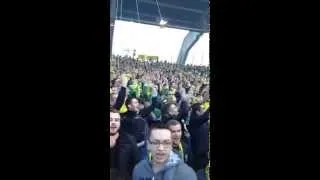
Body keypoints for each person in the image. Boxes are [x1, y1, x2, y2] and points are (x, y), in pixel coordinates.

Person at [132, 123, 197, 180]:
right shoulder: (139, 169)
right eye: (155, 142)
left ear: (171, 145)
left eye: (166, 143)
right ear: (148, 145)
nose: (161, 148)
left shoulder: (187, 174)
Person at [109, 107, 140, 180]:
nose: (113, 122)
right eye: (110, 120)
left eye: (116, 120)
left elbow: (136, 164)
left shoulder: (129, 139)